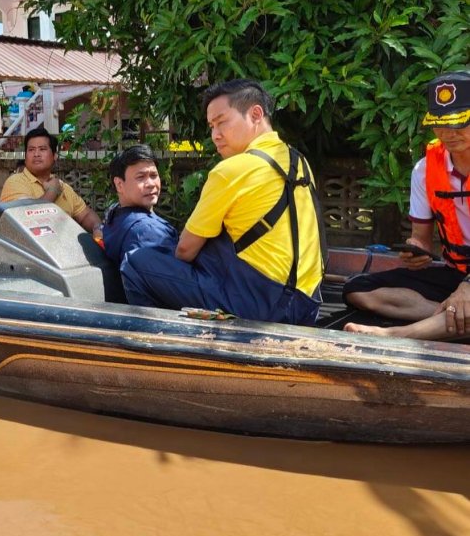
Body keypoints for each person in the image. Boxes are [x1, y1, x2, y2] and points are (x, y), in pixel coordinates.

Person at [120, 79, 324, 325]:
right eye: (211, 126)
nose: (215, 135)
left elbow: (185, 251)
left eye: (222, 122)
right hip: (307, 304)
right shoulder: (299, 161)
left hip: (259, 305)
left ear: (255, 114)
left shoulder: (232, 169)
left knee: (135, 261)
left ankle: (161, 347)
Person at [344, 71, 470, 339]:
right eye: (439, 124)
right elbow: (421, 238)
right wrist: (417, 250)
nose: (448, 133)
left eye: (459, 123)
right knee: (358, 289)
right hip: (456, 273)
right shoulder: (424, 169)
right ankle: (453, 319)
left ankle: (397, 335)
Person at [0, 125, 103, 240]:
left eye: (42, 149)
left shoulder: (64, 187)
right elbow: (27, 218)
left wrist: (97, 227)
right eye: (31, 150)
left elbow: (86, 215)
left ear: (54, 156)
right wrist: (52, 191)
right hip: (30, 253)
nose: (36, 154)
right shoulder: (15, 181)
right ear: (25, 157)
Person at [101, 145, 179, 264]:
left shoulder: (114, 213)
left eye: (153, 175)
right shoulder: (147, 231)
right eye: (141, 177)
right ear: (119, 184)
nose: (151, 184)